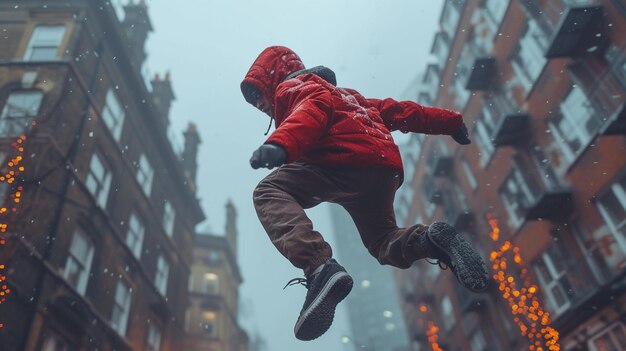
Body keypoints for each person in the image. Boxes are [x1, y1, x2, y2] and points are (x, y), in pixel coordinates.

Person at [241, 46, 489, 341]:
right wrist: (451, 122)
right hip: (382, 171)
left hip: (341, 163)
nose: (261, 106)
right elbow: (401, 111)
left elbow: (311, 112)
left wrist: (280, 145)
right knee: (382, 242)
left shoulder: (295, 89)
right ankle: (431, 240)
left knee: (269, 190)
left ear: (274, 80)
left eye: (259, 96)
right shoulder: (353, 98)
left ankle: (319, 267)